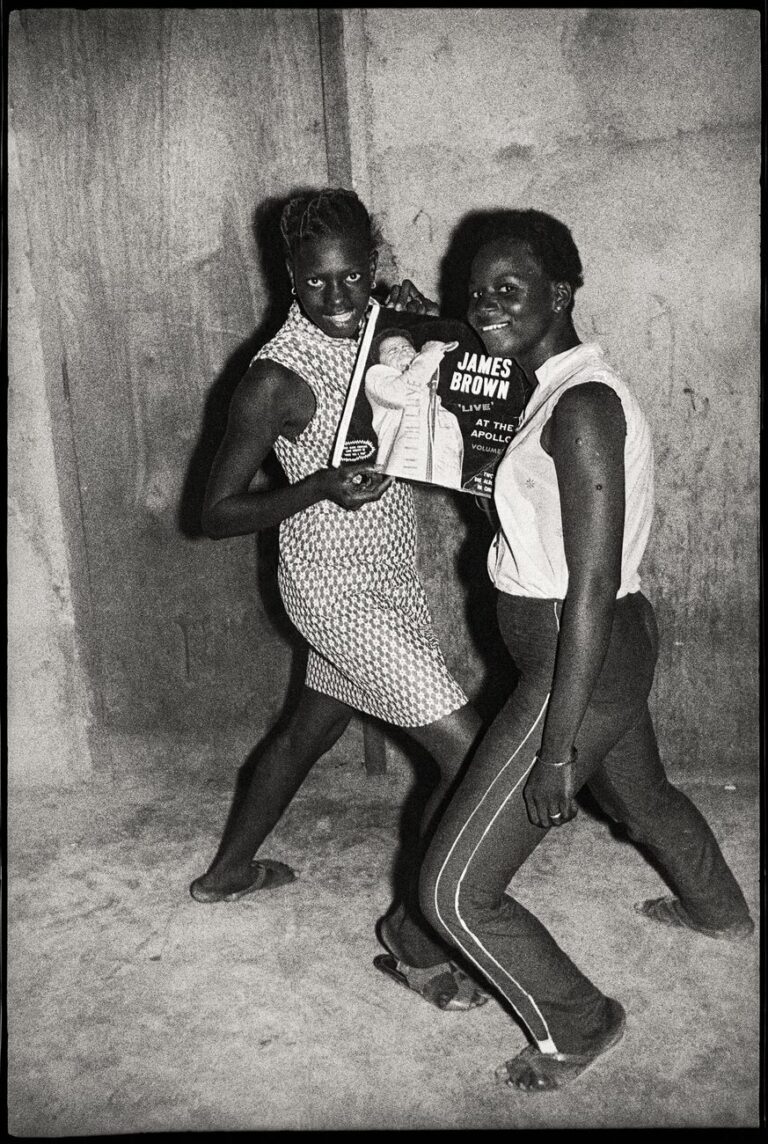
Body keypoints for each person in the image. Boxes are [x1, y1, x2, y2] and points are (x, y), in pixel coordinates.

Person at [390, 208, 754, 1091]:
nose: (485, 309)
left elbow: (587, 586)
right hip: (603, 655)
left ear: (561, 293)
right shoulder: (540, 384)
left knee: (453, 890)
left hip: (577, 662)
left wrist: (556, 753)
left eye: (507, 291)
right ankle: (719, 911)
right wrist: (424, 319)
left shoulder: (584, 405)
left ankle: (582, 1021)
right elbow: (468, 341)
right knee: (644, 795)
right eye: (474, 295)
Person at [189, 188, 487, 1011]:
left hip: (392, 573)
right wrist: (317, 484)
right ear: (289, 275)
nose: (338, 297)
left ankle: (227, 874)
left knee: (302, 735)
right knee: (469, 757)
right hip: (330, 590)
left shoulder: (381, 320)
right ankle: (414, 937)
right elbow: (212, 514)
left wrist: (427, 328)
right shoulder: (275, 378)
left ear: (375, 264)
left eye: (354, 276)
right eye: (318, 283)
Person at [364, 329, 464, 488]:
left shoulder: (438, 407)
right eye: (391, 351)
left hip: (439, 485)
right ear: (380, 362)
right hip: (400, 480)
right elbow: (403, 393)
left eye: (406, 348)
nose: (401, 352)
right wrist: (431, 354)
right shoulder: (377, 375)